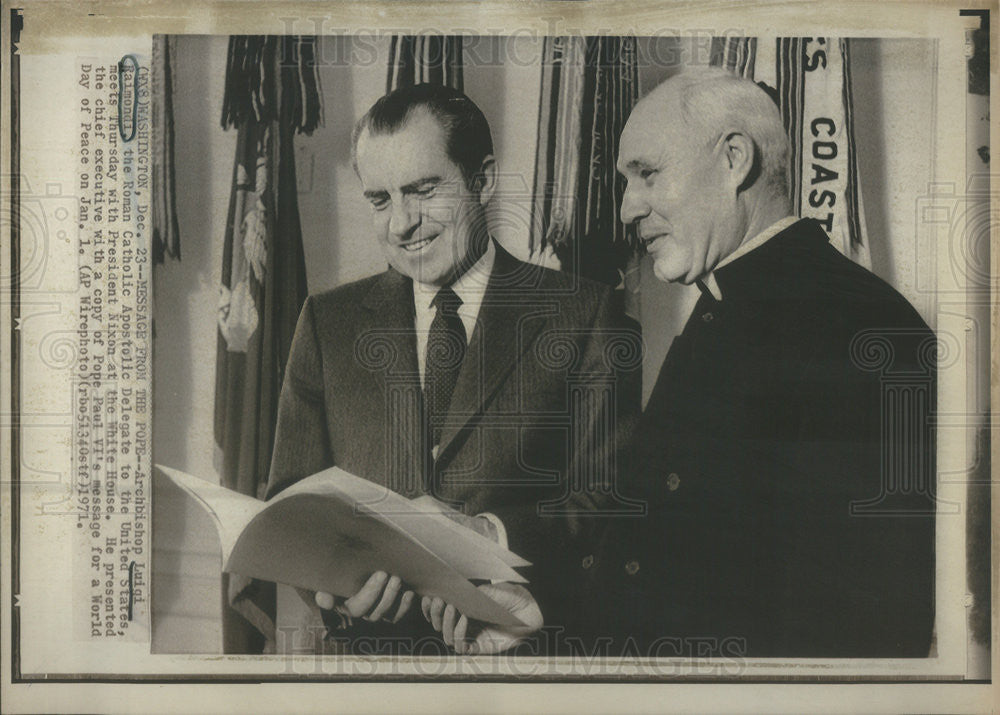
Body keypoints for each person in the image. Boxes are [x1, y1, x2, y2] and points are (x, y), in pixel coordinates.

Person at [240, 83, 640, 655]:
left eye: (423, 190)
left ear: (482, 179)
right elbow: (291, 508)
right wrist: (334, 588)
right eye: (379, 200)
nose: (402, 223)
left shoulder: (584, 314)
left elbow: (608, 504)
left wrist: (485, 537)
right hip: (367, 671)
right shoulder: (328, 322)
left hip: (527, 667)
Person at [587, 67, 936, 658]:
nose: (626, 208)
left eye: (647, 173)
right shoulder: (722, 305)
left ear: (733, 160)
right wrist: (536, 619)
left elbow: (864, 626)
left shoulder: (860, 327)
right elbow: (652, 554)